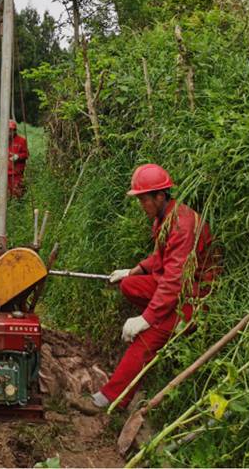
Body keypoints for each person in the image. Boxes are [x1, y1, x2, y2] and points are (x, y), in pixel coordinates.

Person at [82, 164, 215, 413]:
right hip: (176, 287)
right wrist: (134, 271)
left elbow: (175, 281)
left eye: (144, 199)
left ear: (160, 196)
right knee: (130, 285)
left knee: (148, 337)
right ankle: (160, 317)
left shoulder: (182, 225)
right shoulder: (165, 217)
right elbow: (161, 258)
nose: (142, 205)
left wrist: (147, 318)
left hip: (193, 296)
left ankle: (111, 398)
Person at [7, 119, 29, 198]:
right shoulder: (3, 140)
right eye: (8, 130)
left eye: (11, 130)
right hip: (6, 173)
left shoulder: (22, 141)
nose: (9, 133)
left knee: (18, 192)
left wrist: (18, 156)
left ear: (15, 131)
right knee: (7, 194)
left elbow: (26, 154)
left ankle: (20, 206)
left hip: (17, 173)